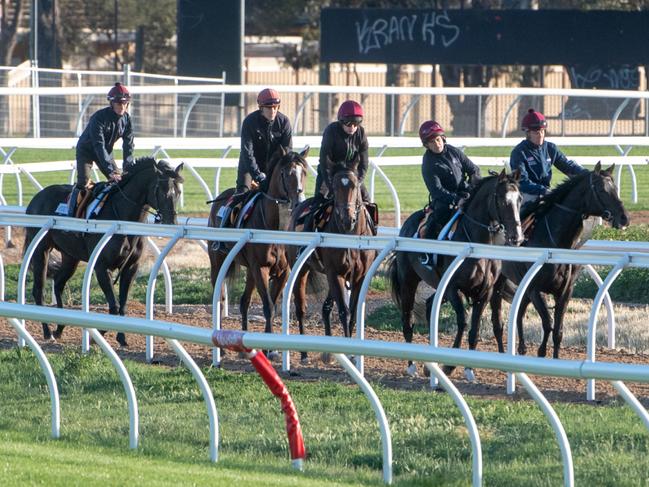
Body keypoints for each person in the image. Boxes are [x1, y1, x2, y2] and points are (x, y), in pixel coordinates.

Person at [211, 88, 292, 250]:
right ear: (261, 107)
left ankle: (293, 241)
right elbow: (248, 153)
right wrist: (258, 175)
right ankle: (222, 237)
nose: (273, 111)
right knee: (240, 195)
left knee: (289, 198)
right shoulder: (249, 122)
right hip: (249, 167)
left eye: (276, 107)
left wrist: (273, 175)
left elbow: (287, 153)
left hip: (273, 170)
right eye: (269, 107)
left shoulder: (284, 123)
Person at [418, 120, 481, 267]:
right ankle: (426, 253)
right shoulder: (428, 162)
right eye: (432, 142)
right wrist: (456, 199)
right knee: (437, 217)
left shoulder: (454, 151)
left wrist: (473, 187)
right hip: (444, 201)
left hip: (464, 193)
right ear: (426, 145)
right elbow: (437, 191)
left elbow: (474, 170)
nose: (437, 144)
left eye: (438, 140)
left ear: (443, 138)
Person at [68, 82, 134, 217]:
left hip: (104, 151)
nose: (122, 107)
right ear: (111, 103)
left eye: (125, 103)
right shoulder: (99, 117)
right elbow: (98, 145)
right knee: (83, 183)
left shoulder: (127, 119)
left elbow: (128, 146)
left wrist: (128, 169)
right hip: (87, 150)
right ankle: (71, 212)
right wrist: (110, 171)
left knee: (120, 182)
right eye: (119, 103)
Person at [510, 108, 587, 213]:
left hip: (546, 192)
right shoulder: (519, 152)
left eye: (542, 131)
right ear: (528, 133)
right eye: (537, 132)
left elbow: (568, 166)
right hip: (527, 194)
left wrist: (587, 174)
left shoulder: (550, 148)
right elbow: (522, 182)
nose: (541, 135)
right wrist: (543, 190)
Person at [314, 100, 370, 202]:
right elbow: (324, 161)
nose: (352, 127)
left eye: (356, 123)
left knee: (367, 200)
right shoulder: (331, 131)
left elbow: (364, 163)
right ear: (341, 121)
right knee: (317, 202)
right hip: (330, 173)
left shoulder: (361, 133)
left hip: (351, 173)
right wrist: (330, 185)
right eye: (348, 123)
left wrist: (358, 182)